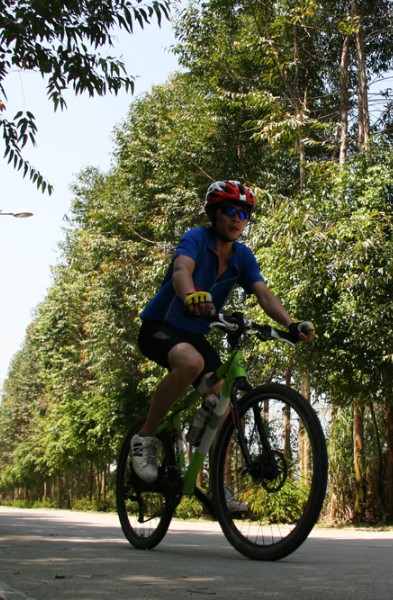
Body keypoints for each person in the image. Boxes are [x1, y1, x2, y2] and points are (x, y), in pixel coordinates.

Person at [132, 180, 315, 490]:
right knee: (189, 362)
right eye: (230, 211)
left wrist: (291, 323)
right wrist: (191, 294)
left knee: (224, 403)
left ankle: (217, 488)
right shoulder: (195, 238)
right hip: (159, 328)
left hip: (195, 336)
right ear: (213, 213)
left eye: (244, 214)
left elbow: (263, 294)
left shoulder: (242, 257)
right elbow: (181, 271)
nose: (236, 219)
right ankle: (145, 437)